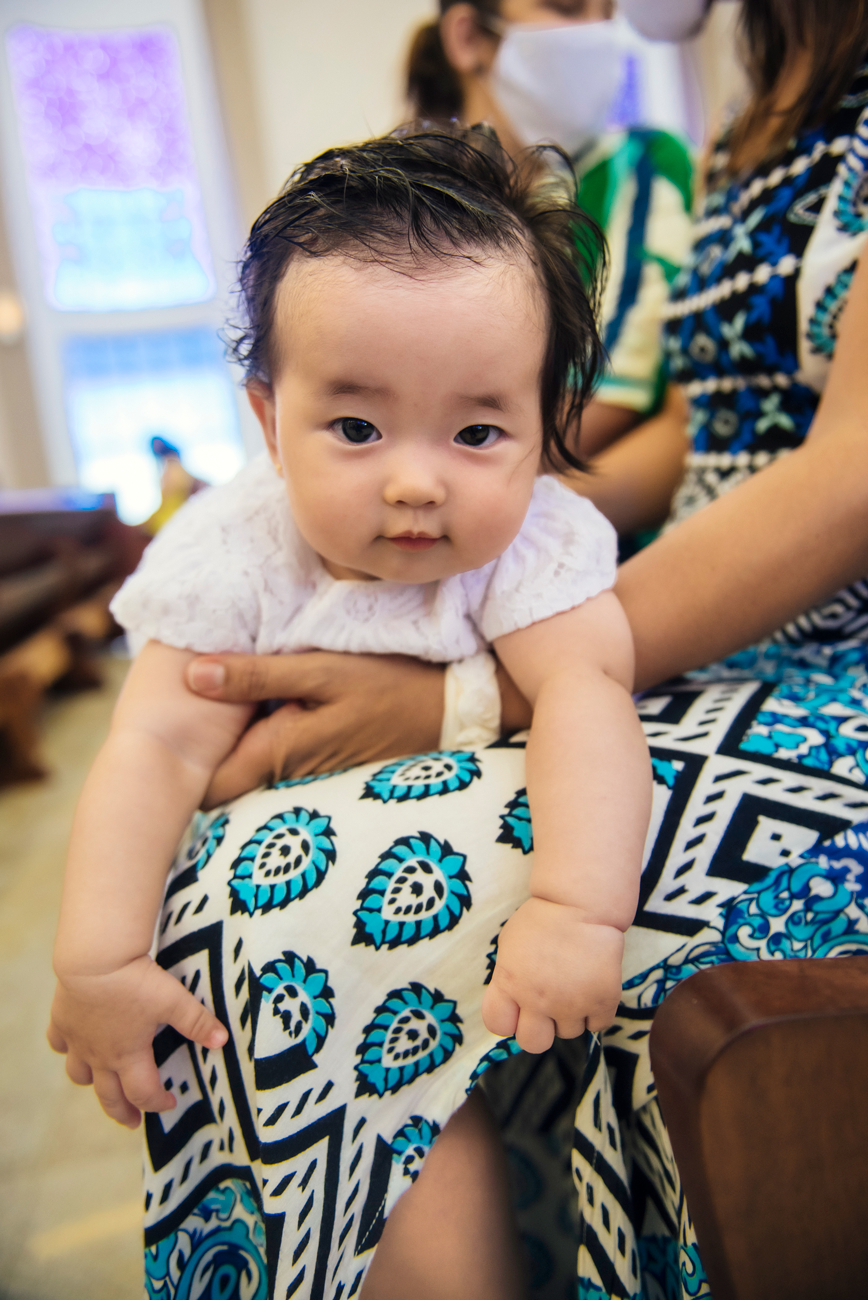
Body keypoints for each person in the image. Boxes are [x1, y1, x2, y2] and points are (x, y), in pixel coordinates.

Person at [116, 2, 868, 1296]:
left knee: (275, 894)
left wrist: (466, 688)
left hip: (820, 673)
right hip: (683, 624)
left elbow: (848, 476)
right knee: (213, 847)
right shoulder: (757, 118)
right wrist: (490, 532)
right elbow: (697, 430)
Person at [47, 127, 654, 1299]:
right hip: (319, 935)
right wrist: (99, 958)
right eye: (358, 429)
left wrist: (580, 909)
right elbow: (154, 743)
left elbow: (587, 695)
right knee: (359, 1109)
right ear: (269, 423)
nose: (416, 480)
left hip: (472, 901)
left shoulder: (532, 535)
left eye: (477, 431)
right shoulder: (232, 548)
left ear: (543, 421)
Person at [406, 0, 695, 459]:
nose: (598, 33)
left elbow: (609, 393)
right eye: (568, 8)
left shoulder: (640, 166)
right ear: (467, 37)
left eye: (608, 12)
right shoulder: (402, 201)